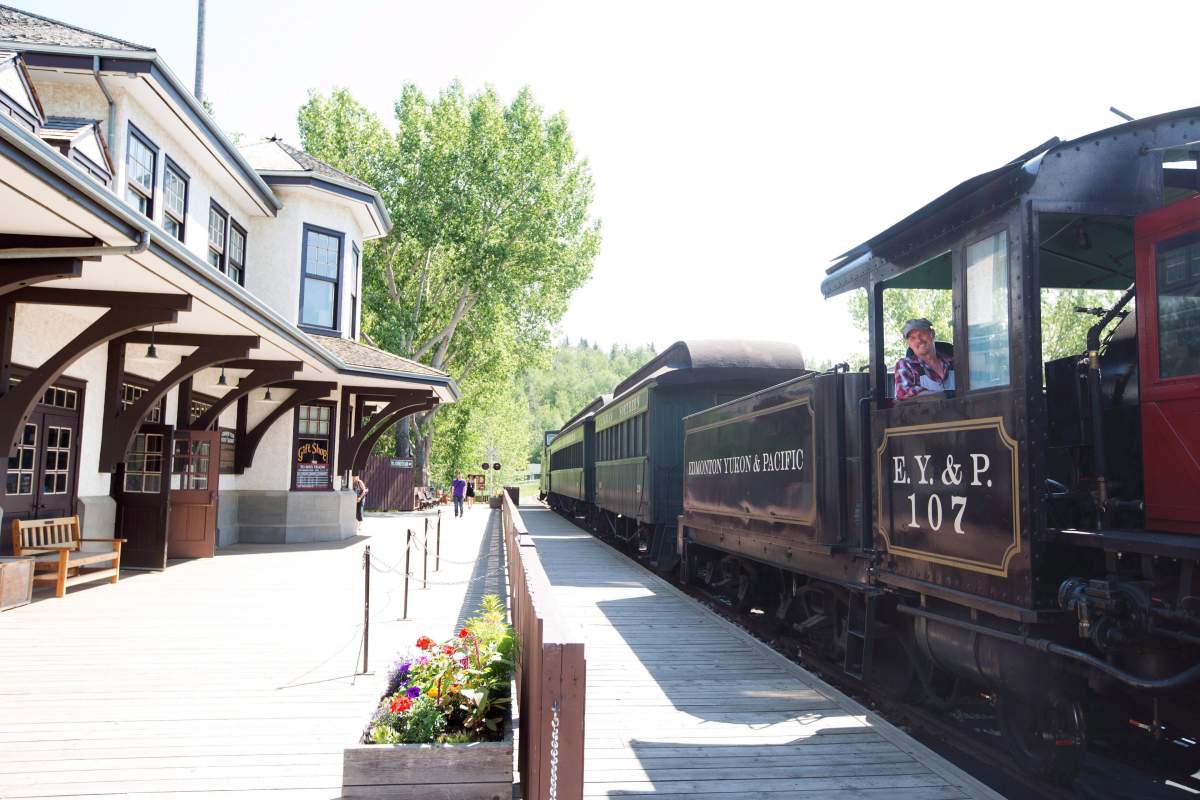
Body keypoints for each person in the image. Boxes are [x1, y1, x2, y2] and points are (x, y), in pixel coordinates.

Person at [894, 318, 955, 400]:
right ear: (909, 343)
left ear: (932, 334)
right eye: (913, 338)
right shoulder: (905, 365)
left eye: (922, 334)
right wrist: (944, 396)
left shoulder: (953, 362)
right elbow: (904, 393)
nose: (919, 340)